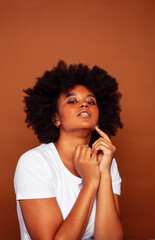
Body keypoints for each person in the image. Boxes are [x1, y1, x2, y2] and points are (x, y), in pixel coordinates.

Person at [14, 60, 124, 240]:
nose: (84, 105)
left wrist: (103, 173)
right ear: (56, 118)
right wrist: (90, 183)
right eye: (73, 100)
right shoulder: (34, 163)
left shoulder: (106, 160)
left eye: (91, 101)